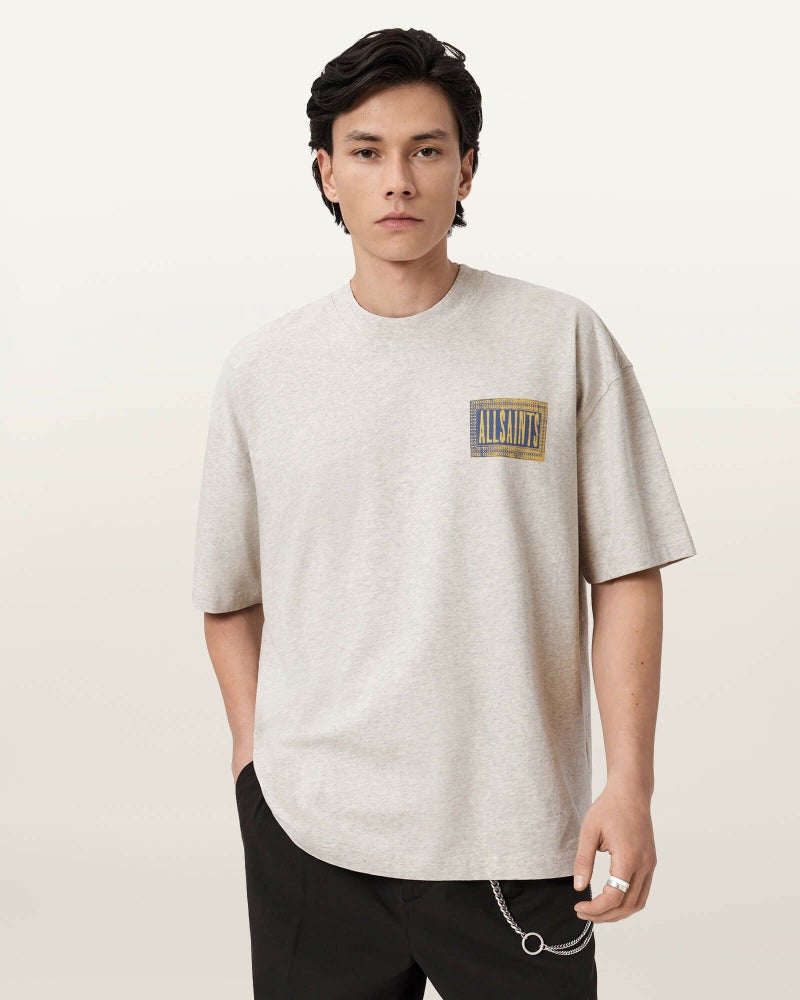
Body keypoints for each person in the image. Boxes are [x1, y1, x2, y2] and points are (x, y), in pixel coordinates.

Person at [191, 26, 696, 1000]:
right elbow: (227, 597)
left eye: (426, 150)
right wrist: (257, 765)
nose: (397, 181)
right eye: (366, 151)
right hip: (312, 832)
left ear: (466, 169)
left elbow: (626, 571)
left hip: (515, 838)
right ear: (325, 171)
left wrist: (629, 783)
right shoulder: (264, 371)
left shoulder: (558, 338)